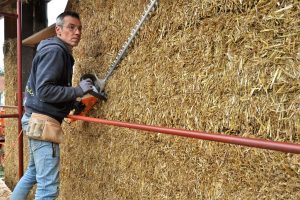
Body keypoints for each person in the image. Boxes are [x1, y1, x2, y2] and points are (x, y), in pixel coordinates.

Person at [11, 11, 93, 200]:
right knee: (48, 188)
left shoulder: (52, 49)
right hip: (43, 124)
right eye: (71, 27)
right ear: (58, 30)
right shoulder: (56, 51)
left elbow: (49, 89)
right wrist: (77, 91)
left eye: (79, 28)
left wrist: (73, 102)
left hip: (35, 118)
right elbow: (45, 91)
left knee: (32, 173)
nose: (77, 32)